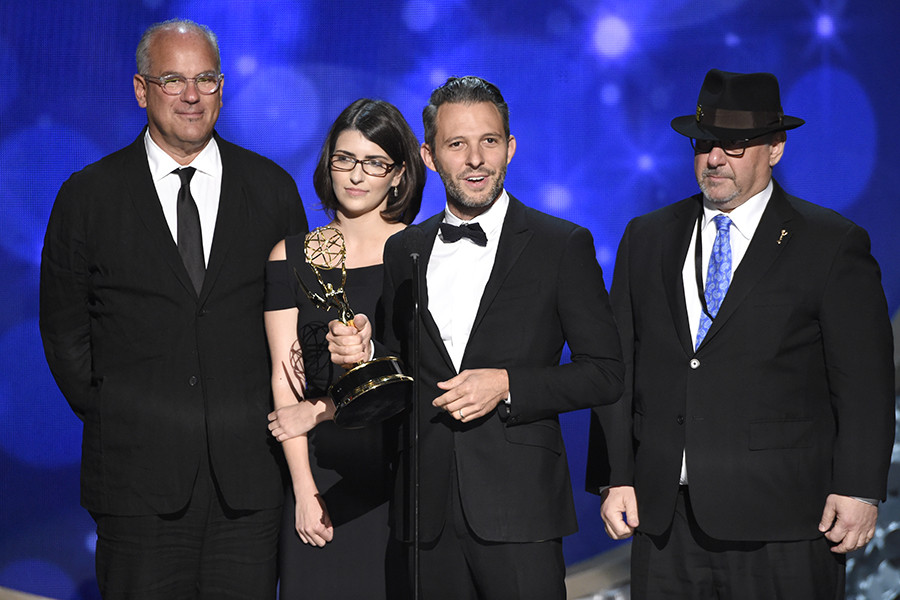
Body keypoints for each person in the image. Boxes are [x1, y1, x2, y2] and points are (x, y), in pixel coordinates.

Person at [586, 68, 895, 599]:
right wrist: (615, 476)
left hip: (785, 523)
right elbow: (619, 368)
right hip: (665, 523)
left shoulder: (830, 244)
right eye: (704, 143)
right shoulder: (647, 238)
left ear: (775, 148)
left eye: (733, 145)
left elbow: (864, 382)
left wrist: (860, 489)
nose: (714, 158)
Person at [326, 76, 624, 599]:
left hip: (520, 509)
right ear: (430, 156)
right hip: (424, 508)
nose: (476, 159)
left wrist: (509, 384)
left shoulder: (562, 246)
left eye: (489, 141)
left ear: (509, 147)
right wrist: (367, 354)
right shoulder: (406, 250)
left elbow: (604, 372)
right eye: (456, 144)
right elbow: (402, 369)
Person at [39, 19, 307, 598]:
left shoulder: (271, 190)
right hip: (136, 483)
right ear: (141, 90)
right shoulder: (88, 196)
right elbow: (64, 333)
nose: (191, 95)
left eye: (206, 79)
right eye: (173, 79)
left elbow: (295, 327)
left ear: (222, 86)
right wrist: (123, 413)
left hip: (250, 483)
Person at [264, 98, 424, 598]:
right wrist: (304, 491)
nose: (356, 175)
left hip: (403, 467)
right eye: (344, 159)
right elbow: (283, 378)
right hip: (321, 472)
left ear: (398, 175)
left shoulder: (420, 251)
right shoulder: (291, 255)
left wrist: (324, 409)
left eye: (374, 162)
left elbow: (427, 369)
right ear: (327, 162)